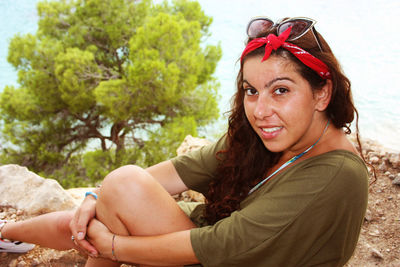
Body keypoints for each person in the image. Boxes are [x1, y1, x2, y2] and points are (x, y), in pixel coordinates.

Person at [0, 16, 369, 266]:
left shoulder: (336, 174)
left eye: (281, 90)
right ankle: (5, 234)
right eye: (251, 91)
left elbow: (223, 244)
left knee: (122, 189)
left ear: (322, 94)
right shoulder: (268, 137)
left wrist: (113, 246)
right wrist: (93, 197)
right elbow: (179, 171)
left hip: (228, 254)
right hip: (219, 245)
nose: (260, 110)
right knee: (102, 205)